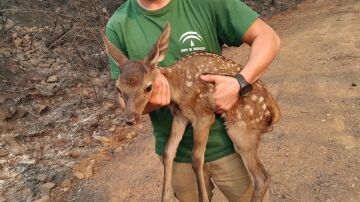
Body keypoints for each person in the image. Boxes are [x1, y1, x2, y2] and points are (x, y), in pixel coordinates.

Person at [105, 0, 280, 201]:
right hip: (179, 156)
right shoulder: (118, 24)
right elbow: (125, 98)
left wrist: (239, 82)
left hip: (230, 147)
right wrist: (151, 100)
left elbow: (268, 38)